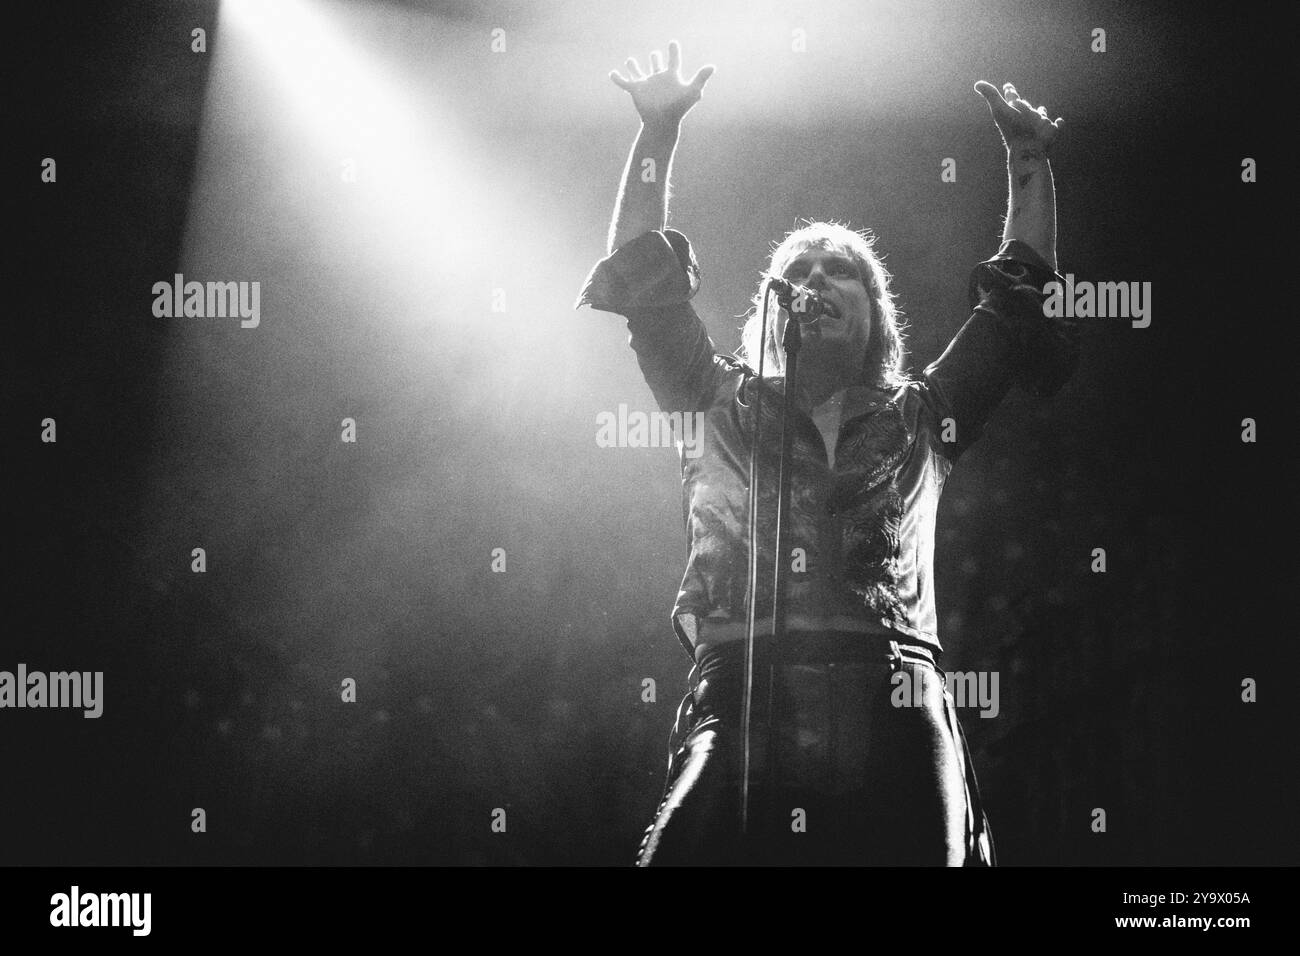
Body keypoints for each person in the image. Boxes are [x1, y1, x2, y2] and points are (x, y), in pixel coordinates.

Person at [576, 41, 1078, 865]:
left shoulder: (924, 416)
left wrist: (1027, 163)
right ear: (773, 310)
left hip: (897, 688)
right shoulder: (717, 400)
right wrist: (657, 137)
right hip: (744, 688)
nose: (814, 281)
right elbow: (645, 283)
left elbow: (1017, 297)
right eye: (797, 270)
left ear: (874, 313)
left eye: (839, 271)